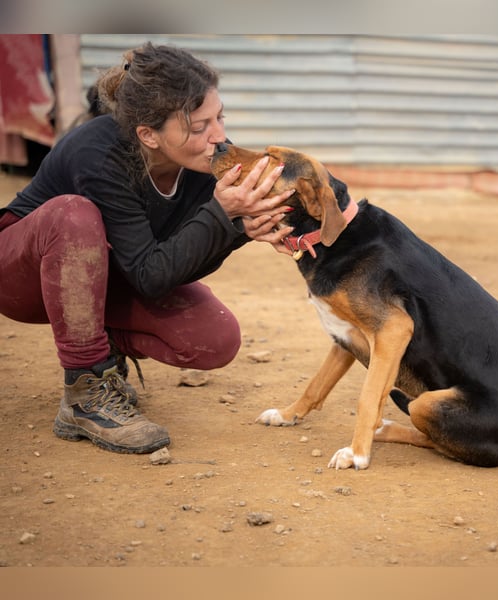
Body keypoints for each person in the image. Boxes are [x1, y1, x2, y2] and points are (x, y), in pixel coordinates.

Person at [0, 42, 296, 454]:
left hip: (111, 275)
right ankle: (86, 392)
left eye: (220, 117)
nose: (219, 136)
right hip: (22, 274)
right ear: (148, 135)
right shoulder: (100, 152)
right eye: (198, 126)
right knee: (74, 214)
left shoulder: (205, 159)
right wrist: (222, 216)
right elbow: (151, 275)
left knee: (213, 337)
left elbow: (168, 266)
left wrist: (242, 226)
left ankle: (104, 343)